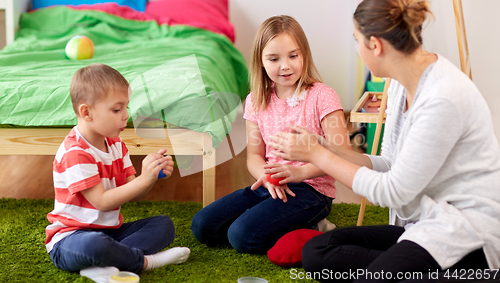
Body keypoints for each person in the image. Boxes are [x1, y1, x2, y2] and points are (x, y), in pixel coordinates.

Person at [268, 0, 500, 282]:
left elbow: (392, 191)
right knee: (319, 250)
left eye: (356, 40)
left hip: (466, 232)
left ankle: (468, 274)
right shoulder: (402, 83)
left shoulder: (442, 98)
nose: (357, 48)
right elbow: (389, 162)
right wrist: (325, 146)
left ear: (375, 45)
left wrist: (318, 156)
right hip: (423, 225)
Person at [190, 15, 351, 254]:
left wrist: (300, 172)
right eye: (274, 59)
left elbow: (344, 153)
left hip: (312, 190)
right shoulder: (256, 100)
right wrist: (265, 178)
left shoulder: (322, 95)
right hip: (270, 185)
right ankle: (277, 220)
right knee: (202, 226)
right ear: (261, 62)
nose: (285, 65)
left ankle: (312, 224)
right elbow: (255, 155)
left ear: (304, 54)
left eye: (293, 56)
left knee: (241, 236)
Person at [45, 64, 190, 278]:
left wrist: (149, 175)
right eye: (116, 109)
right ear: (87, 112)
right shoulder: (75, 152)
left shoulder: (116, 144)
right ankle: (147, 262)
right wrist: (144, 179)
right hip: (71, 238)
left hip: (111, 234)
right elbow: (103, 201)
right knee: (95, 244)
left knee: (164, 225)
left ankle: (108, 264)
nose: (126, 115)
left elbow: (134, 192)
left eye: (126, 107)